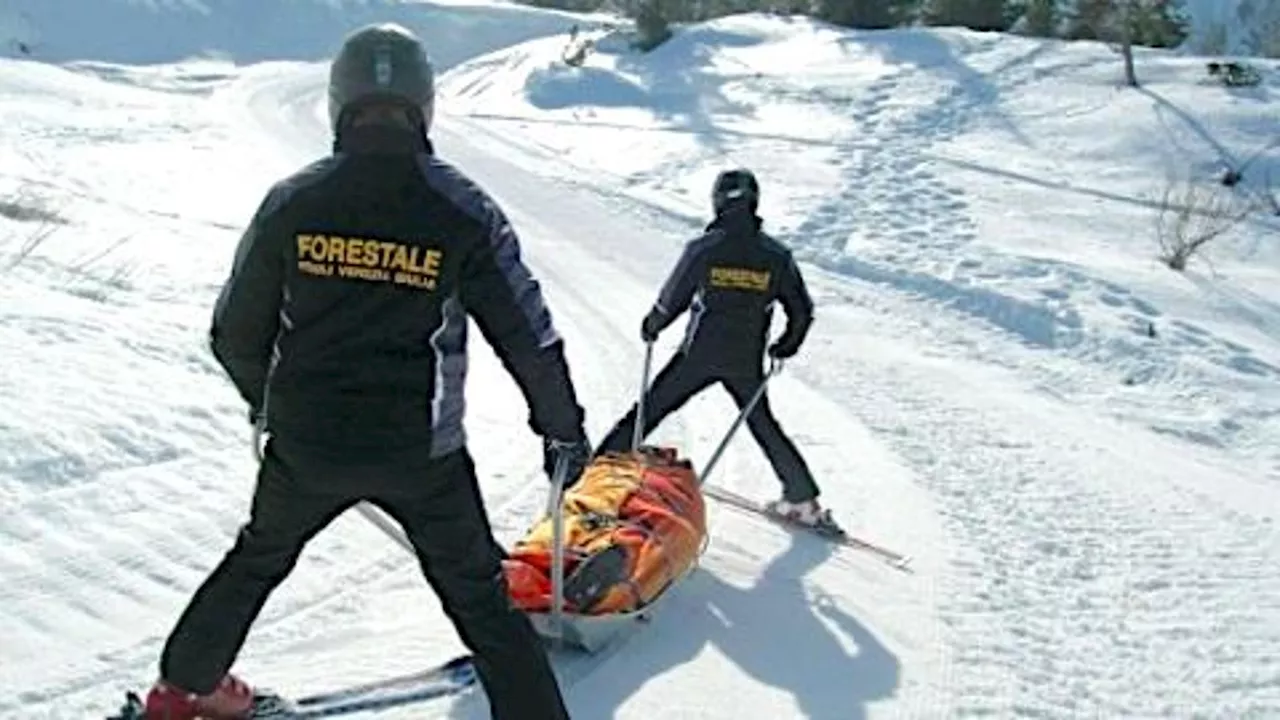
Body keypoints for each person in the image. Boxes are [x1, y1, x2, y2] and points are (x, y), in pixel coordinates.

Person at [142, 22, 591, 720]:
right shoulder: (463, 210)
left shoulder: (295, 201)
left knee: (259, 557)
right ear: (423, 105)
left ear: (338, 102)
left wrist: (270, 409)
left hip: (307, 448)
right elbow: (527, 336)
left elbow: (234, 333)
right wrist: (562, 429)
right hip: (422, 457)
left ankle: (182, 688)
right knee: (481, 602)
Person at [594, 168, 836, 529]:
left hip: (699, 355)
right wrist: (786, 345)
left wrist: (654, 323)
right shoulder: (776, 255)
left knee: (651, 408)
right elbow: (801, 310)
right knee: (763, 423)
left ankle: (597, 472)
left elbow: (673, 297)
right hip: (745, 359)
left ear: (718, 202)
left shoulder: (706, 248)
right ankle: (803, 499)